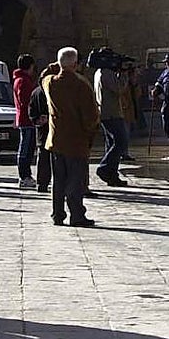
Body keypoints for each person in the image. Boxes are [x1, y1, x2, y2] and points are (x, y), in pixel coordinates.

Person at [43, 47, 100, 227]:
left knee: (58, 180)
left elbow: (43, 75)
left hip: (56, 140)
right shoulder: (81, 85)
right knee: (75, 180)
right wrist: (90, 133)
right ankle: (77, 215)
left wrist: (59, 64)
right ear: (76, 64)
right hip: (76, 141)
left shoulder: (50, 83)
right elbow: (91, 116)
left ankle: (57, 214)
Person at [93, 52, 130, 185]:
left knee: (111, 143)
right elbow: (119, 89)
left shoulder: (99, 72)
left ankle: (111, 175)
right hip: (111, 113)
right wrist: (124, 73)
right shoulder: (107, 73)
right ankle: (105, 168)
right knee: (121, 142)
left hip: (106, 112)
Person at [28, 63, 58, 193]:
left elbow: (31, 111)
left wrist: (36, 119)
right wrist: (37, 119)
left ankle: (43, 183)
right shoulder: (41, 92)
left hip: (45, 131)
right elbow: (31, 110)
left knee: (45, 158)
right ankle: (45, 183)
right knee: (48, 158)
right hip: (48, 130)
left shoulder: (38, 91)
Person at [13, 54, 39, 189]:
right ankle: (24, 176)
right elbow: (25, 101)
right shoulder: (23, 81)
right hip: (26, 119)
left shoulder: (21, 79)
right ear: (30, 66)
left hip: (25, 119)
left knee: (28, 149)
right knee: (25, 149)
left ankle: (26, 175)